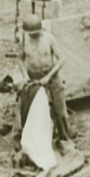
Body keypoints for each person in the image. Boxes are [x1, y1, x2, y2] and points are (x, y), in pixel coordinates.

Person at [16, 16, 73, 150]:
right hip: (33, 77)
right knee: (31, 109)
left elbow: (62, 58)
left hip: (51, 76)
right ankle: (36, 140)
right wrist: (25, 76)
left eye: (35, 34)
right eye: (31, 34)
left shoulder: (49, 38)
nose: (33, 36)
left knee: (60, 111)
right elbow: (19, 59)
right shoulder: (24, 40)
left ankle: (65, 137)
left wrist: (48, 76)